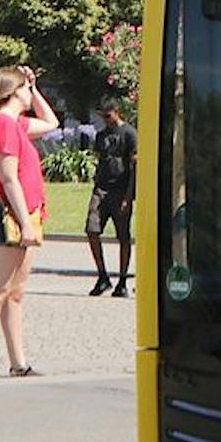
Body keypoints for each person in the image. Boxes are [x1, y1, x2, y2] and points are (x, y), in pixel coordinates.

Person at [0, 65, 58, 378]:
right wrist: (24, 223)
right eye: (24, 88)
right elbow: (8, 179)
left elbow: (51, 123)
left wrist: (35, 89)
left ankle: (18, 362)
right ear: (11, 92)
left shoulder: (15, 123)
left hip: (27, 212)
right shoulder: (3, 125)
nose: (29, 93)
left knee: (16, 292)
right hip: (7, 213)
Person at [85, 98, 137, 298]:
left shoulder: (130, 134)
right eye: (102, 116)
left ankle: (122, 281)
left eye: (108, 116)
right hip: (101, 190)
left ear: (117, 112)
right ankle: (102, 276)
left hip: (121, 190)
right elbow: (100, 161)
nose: (105, 120)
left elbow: (134, 168)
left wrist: (128, 196)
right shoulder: (101, 136)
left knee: (123, 236)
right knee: (92, 229)